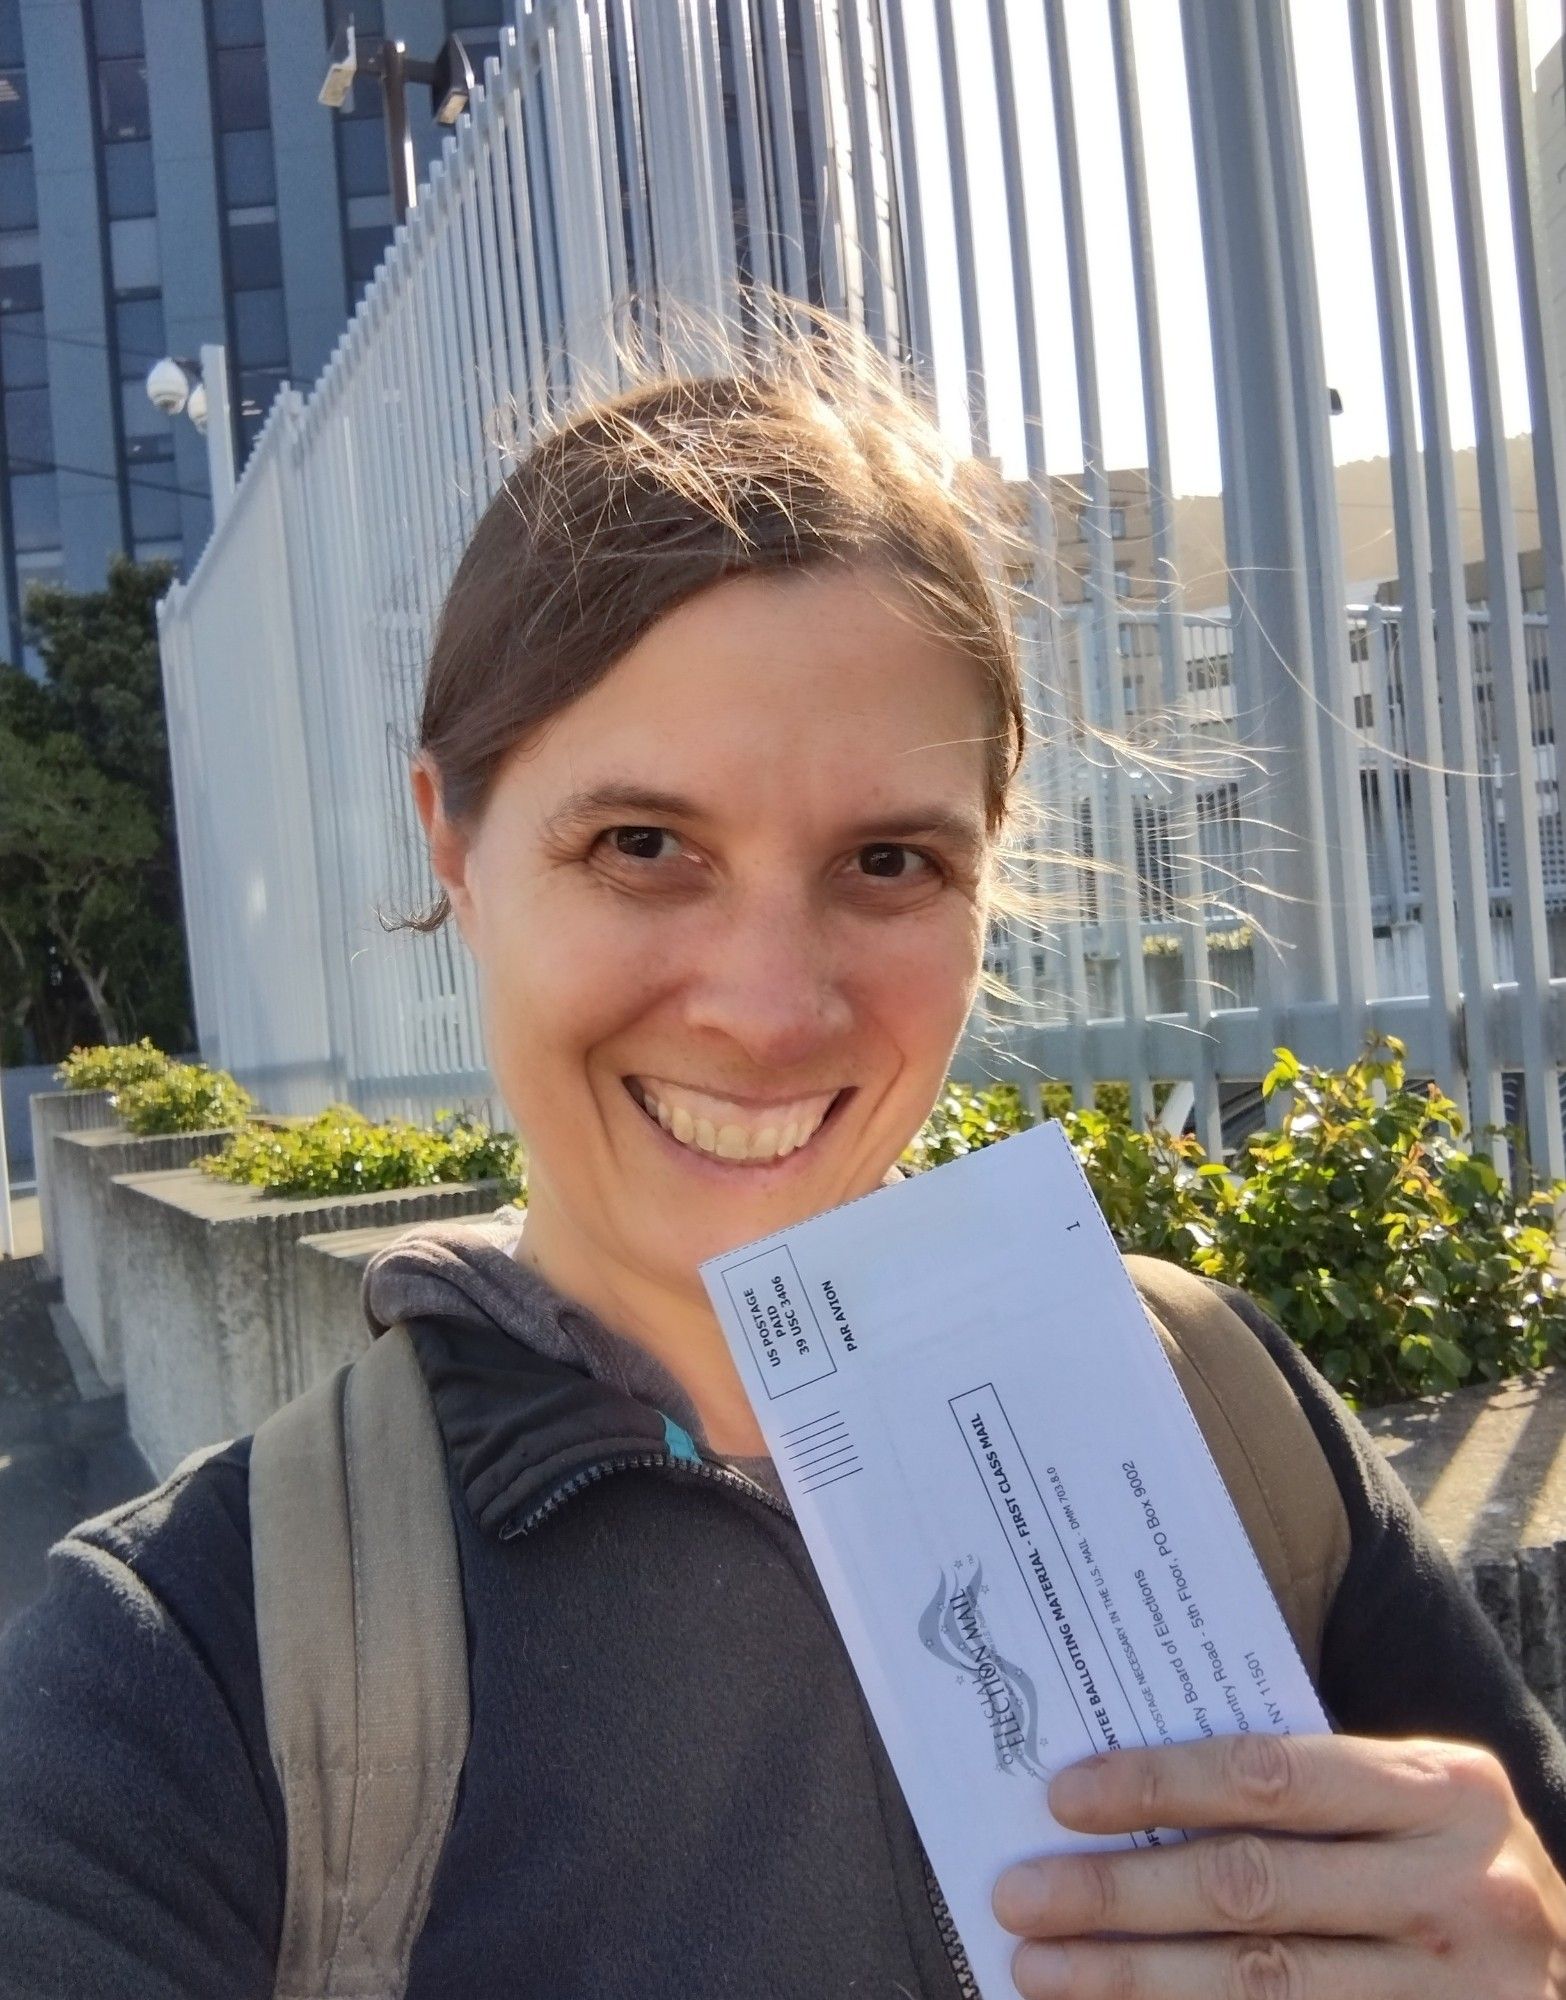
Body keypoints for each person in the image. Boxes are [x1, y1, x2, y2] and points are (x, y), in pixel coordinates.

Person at [2, 309, 1565, 2000]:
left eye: (887, 861)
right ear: (449, 841)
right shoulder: (190, 1675)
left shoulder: (1213, 1412)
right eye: (644, 843)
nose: (768, 1009)